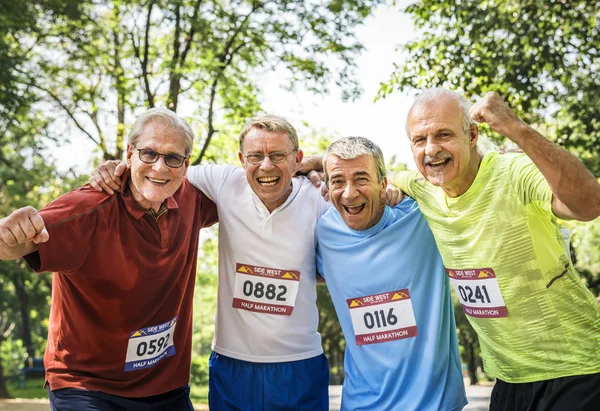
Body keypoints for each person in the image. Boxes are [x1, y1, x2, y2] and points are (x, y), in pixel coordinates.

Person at [91, 115, 331, 410]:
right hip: (232, 364)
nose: (266, 166)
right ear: (242, 159)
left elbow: (363, 178)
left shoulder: (320, 197)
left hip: (300, 363)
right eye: (256, 156)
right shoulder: (224, 181)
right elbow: (160, 170)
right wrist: (116, 168)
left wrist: (324, 163)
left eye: (278, 156)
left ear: (298, 159)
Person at [394, 88, 600, 411]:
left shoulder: (514, 172)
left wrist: (514, 127)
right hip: (508, 378)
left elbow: (590, 204)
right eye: (419, 140)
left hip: (576, 369)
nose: (431, 149)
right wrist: (321, 163)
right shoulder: (423, 189)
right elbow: (371, 175)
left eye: (443, 135)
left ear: (473, 134)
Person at [0, 108, 218, 410]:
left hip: (165, 384)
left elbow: (258, 184)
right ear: (129, 153)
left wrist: (307, 165)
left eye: (172, 158)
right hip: (87, 386)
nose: (159, 167)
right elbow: (18, 244)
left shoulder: (193, 198)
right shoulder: (89, 209)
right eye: (149, 153)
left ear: (185, 164)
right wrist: (9, 233)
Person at [316, 136, 467, 410]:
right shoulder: (324, 232)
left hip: (434, 403)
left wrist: (403, 182)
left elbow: (460, 175)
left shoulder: (421, 214)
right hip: (360, 404)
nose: (349, 193)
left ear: (383, 183)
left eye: (361, 179)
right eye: (338, 181)